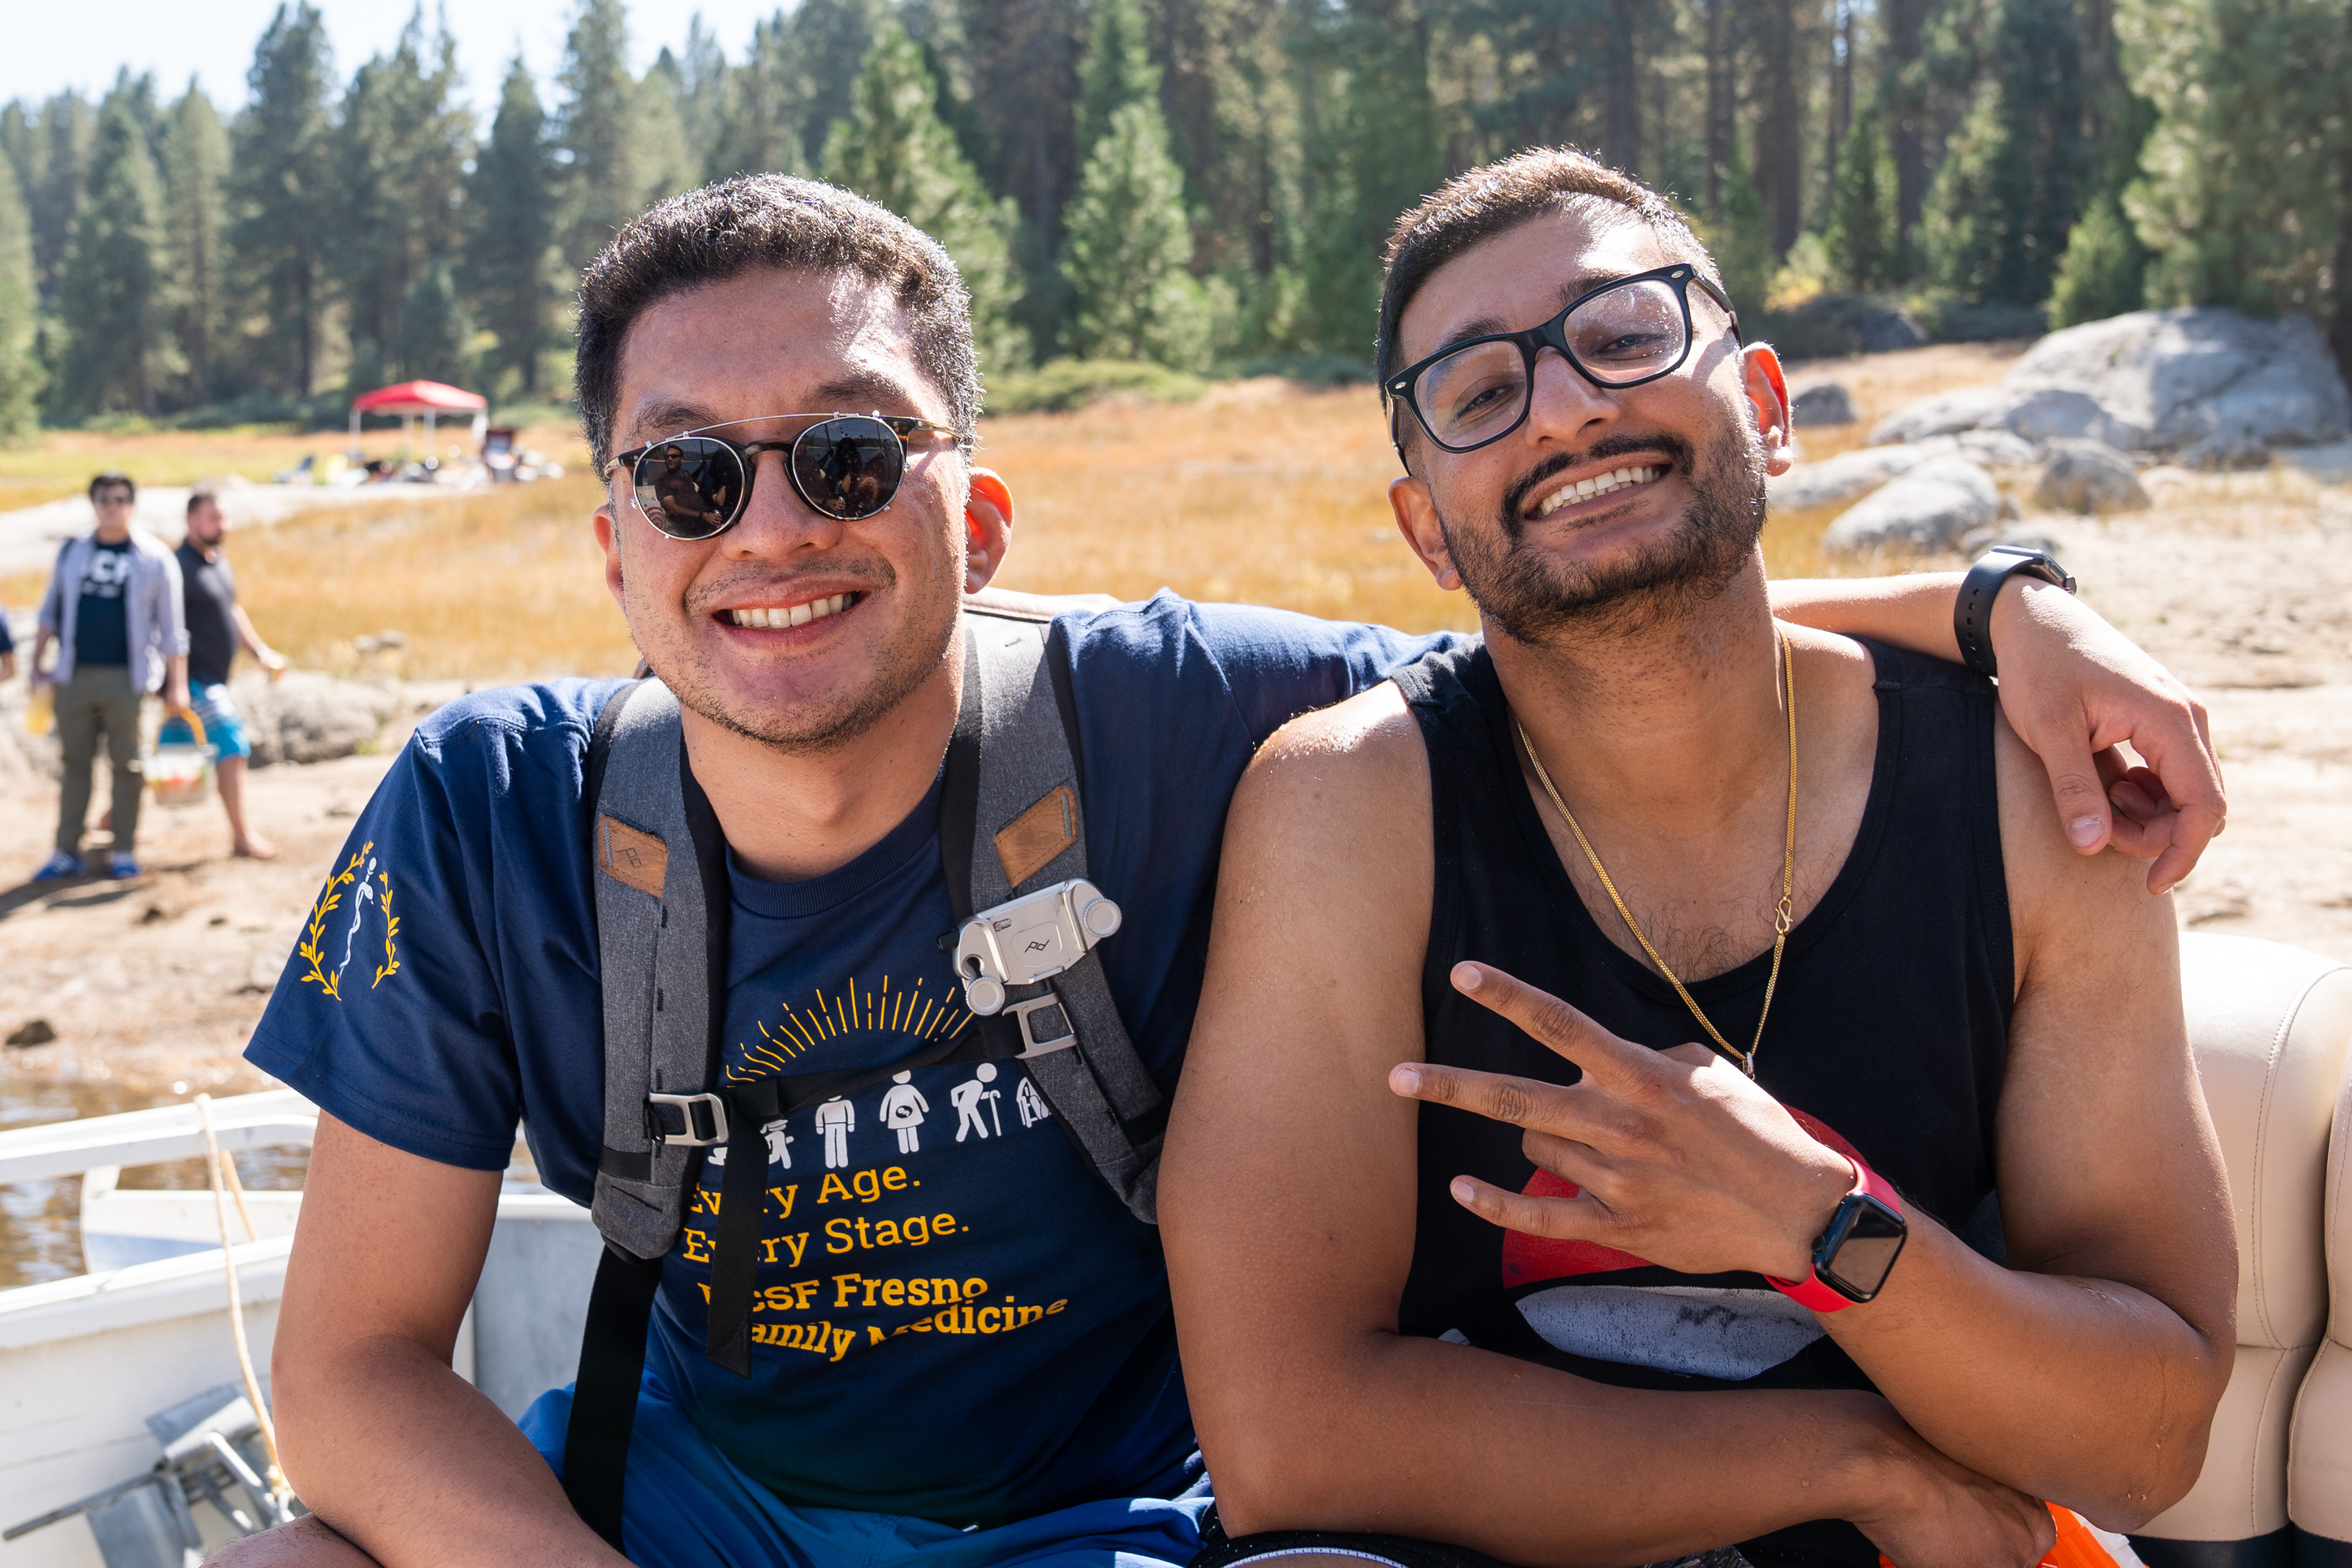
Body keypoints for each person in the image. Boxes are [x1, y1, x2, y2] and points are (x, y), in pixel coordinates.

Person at [227, 175, 2223, 1568]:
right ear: (613, 545)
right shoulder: (486, 808)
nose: (770, 532)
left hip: (1114, 1521)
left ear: (977, 519)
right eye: (689, 477)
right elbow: (350, 1371)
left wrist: (2001, 612)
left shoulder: (1183, 717)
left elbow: (1589, 612)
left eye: (848, 460)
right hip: (688, 1507)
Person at [1159, 149, 2234, 1568]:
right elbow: (1284, 1438)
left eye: (1622, 335)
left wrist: (1820, 1223)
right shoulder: (1349, 806)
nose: (1565, 406)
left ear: (1768, 409)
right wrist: (1854, 1462)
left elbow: (2148, 1439)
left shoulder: (2031, 790)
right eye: (1478, 394)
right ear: (1426, 528)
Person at [28, 471, 190, 881]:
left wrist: (177, 685)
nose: (111, 507)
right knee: (74, 764)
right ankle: (66, 850)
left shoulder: (155, 557)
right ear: (94, 504)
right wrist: (36, 661)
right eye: (103, 499)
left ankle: (123, 849)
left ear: (131, 504)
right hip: (74, 674)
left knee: (128, 767)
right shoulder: (72, 551)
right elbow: (50, 610)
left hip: (129, 680)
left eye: (119, 499)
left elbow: (173, 629)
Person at [177, 488, 290, 860]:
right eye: (213, 518)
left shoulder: (218, 561)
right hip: (192, 680)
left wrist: (260, 652)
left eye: (223, 517)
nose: (221, 525)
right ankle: (243, 837)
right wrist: (171, 683)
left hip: (214, 678)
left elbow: (232, 610)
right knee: (232, 744)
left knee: (176, 750)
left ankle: (111, 818)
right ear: (192, 520)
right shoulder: (178, 567)